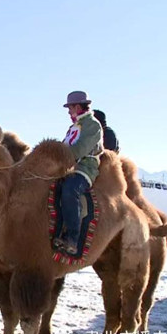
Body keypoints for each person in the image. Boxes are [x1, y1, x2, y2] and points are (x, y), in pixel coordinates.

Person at [53, 91, 103, 255]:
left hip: (84, 168)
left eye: (70, 107)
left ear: (78, 106)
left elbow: (79, 150)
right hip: (66, 168)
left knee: (70, 189)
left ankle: (72, 238)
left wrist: (60, 158)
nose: (68, 111)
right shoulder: (73, 127)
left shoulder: (93, 125)